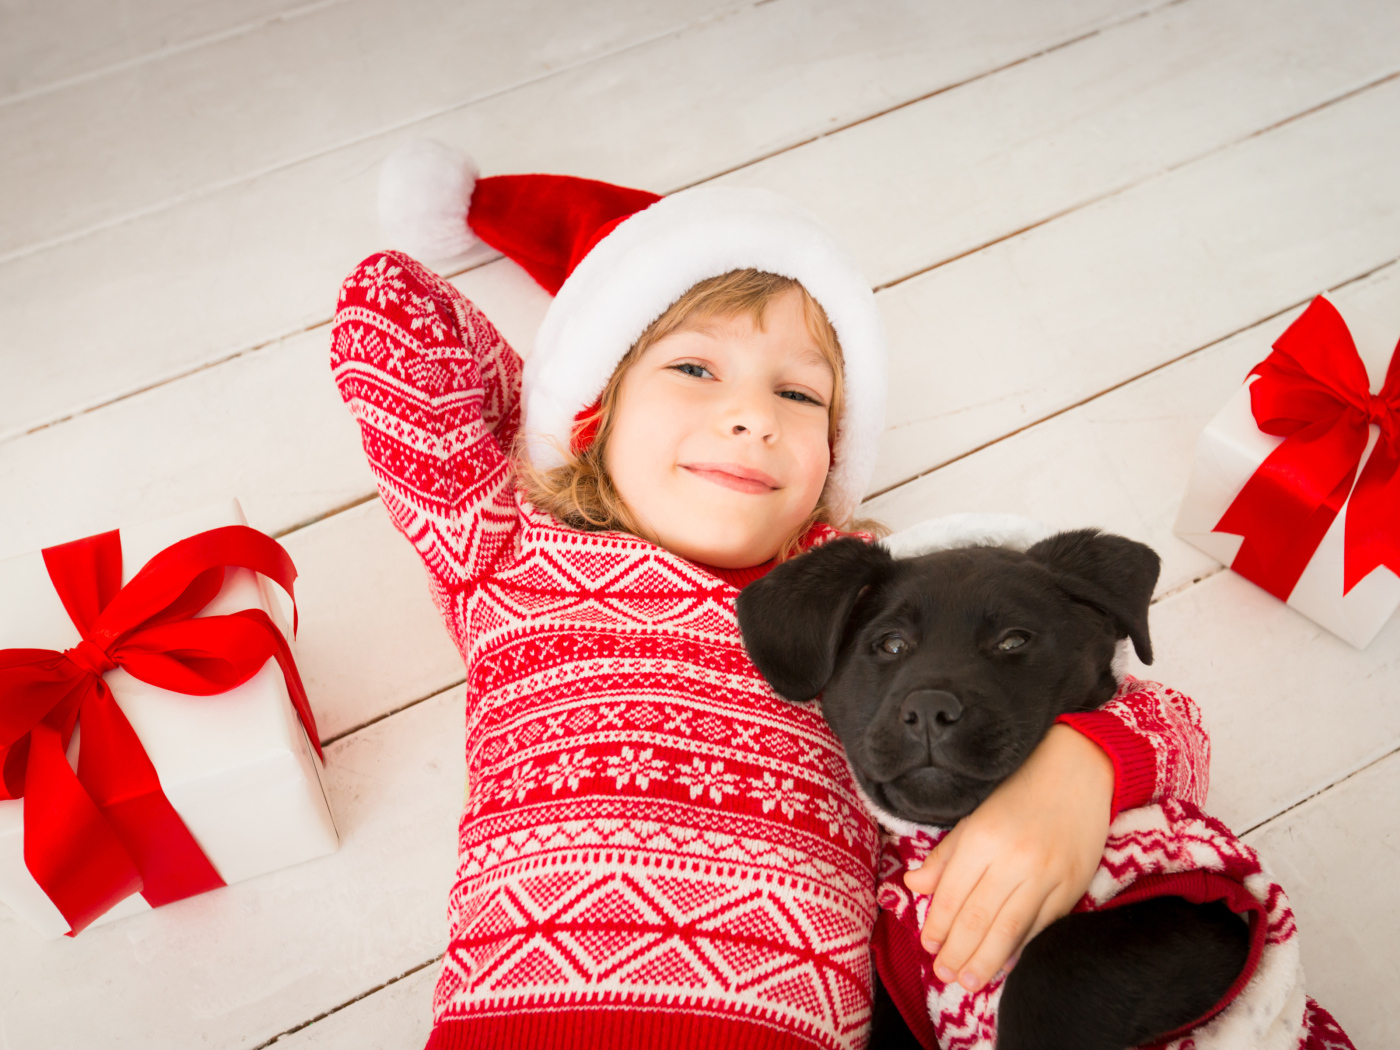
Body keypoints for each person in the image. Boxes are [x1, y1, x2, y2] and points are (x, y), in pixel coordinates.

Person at [330, 140, 1209, 1050]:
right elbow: (386, 312)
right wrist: (556, 401)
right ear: (595, 409)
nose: (752, 415)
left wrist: (1082, 770)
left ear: (832, 456)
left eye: (798, 393)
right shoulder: (512, 556)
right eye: (694, 370)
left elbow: (1164, 719)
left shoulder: (867, 599)